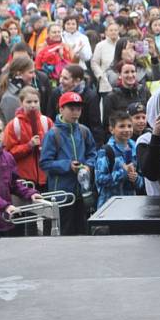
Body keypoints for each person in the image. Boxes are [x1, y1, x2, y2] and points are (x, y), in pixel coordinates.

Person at [39, 91, 97, 235]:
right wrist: (67, 165)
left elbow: (93, 154)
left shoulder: (84, 131)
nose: (76, 112)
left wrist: (88, 166)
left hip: (83, 193)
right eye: (71, 108)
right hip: (62, 195)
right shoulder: (53, 134)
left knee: (83, 232)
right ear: (61, 109)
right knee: (65, 233)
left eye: (79, 109)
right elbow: (45, 163)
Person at [0, 115, 43, 237]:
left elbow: (14, 183)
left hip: (8, 217)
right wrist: (4, 206)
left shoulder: (7, 157)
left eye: (0, 131)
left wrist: (30, 193)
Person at [3, 86, 52, 191]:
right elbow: (7, 154)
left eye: (36, 101)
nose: (33, 105)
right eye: (29, 102)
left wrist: (46, 149)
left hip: (46, 178)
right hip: (24, 180)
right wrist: (28, 146)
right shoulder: (14, 125)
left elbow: (55, 147)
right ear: (21, 103)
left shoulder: (46, 122)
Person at [95, 110, 143, 208]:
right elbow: (100, 180)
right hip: (109, 206)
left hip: (131, 204)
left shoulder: (136, 147)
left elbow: (142, 179)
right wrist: (123, 173)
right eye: (122, 126)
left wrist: (136, 178)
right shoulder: (106, 151)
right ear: (111, 129)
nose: (127, 130)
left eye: (129, 126)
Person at [48, 65, 105, 145]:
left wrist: (95, 148)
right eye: (61, 77)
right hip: (60, 140)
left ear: (77, 81)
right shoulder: (56, 93)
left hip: (82, 141)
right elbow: (50, 118)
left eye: (65, 78)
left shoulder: (90, 97)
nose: (60, 81)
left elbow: (95, 125)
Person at [102, 61, 151, 129]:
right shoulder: (111, 97)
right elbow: (107, 124)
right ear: (119, 74)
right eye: (126, 72)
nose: (130, 75)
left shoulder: (144, 91)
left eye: (133, 71)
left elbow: (150, 115)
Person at [0, 56, 36, 123]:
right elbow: (15, 126)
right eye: (31, 72)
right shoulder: (9, 98)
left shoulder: (26, 90)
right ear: (19, 73)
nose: (34, 75)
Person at [90, 22, 120, 96]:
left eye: (115, 30)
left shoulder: (123, 43)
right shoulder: (100, 45)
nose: (113, 32)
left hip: (121, 81)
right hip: (105, 82)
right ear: (106, 32)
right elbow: (94, 62)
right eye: (111, 30)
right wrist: (100, 75)